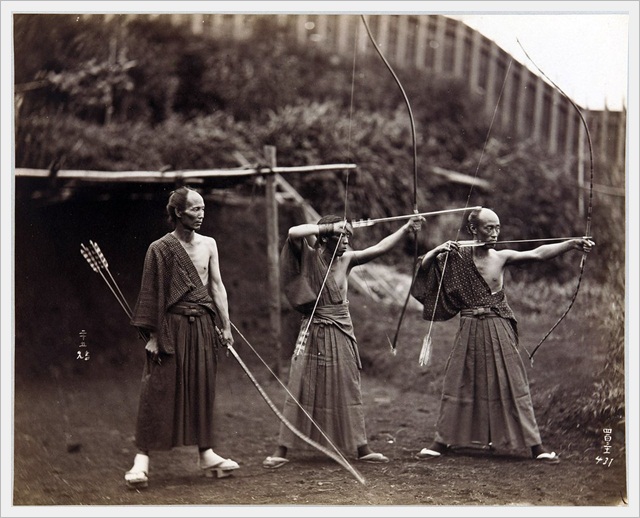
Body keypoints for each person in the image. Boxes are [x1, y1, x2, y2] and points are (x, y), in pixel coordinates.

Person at [410, 207, 594, 464]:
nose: (495, 233)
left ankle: (535, 446)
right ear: (474, 229)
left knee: (512, 382)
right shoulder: (456, 256)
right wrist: (437, 250)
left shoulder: (501, 257)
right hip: (469, 325)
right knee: (458, 380)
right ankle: (441, 441)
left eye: (497, 228)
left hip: (498, 325)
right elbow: (424, 269)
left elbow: (538, 254)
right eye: (489, 228)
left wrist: (572, 244)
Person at [263, 213, 425, 469]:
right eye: (341, 235)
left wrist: (406, 229)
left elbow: (379, 248)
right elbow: (294, 231)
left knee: (348, 384)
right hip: (315, 327)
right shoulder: (309, 256)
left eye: (348, 235)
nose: (347, 241)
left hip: (341, 328)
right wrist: (328, 226)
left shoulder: (347, 260)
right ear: (326, 237)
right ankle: (282, 449)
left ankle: (362, 448)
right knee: (301, 383)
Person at [124, 186, 238, 489]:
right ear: (177, 212)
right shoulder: (160, 248)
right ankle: (141, 460)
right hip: (169, 327)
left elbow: (217, 287)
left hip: (201, 324)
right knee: (157, 388)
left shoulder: (210, 244)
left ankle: (206, 453)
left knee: (202, 385)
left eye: (202, 208)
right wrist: (152, 335)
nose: (201, 214)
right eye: (194, 209)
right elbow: (150, 294)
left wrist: (225, 326)